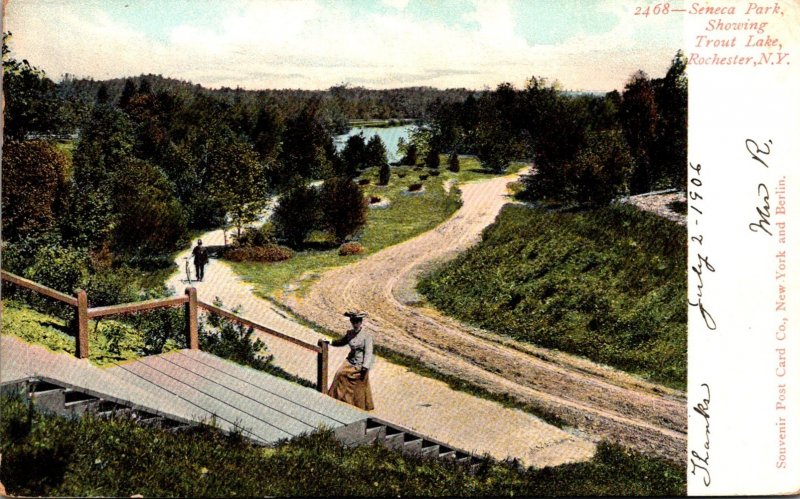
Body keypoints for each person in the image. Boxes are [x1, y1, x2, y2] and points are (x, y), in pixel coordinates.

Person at [327, 311, 374, 411]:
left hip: (360, 364)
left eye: (357, 322)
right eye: (353, 322)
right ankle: (338, 398)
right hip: (350, 361)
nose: (355, 324)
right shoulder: (350, 333)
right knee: (339, 374)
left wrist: (365, 366)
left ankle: (358, 404)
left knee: (360, 384)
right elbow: (341, 342)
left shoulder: (367, 335)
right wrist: (330, 342)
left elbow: (369, 352)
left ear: (361, 323)